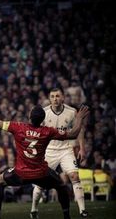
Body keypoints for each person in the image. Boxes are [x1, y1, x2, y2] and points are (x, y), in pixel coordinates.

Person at [0, 104, 89, 219]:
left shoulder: (18, 127)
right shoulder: (48, 131)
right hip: (41, 173)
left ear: (30, 116)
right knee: (61, 186)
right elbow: (73, 134)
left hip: (21, 173)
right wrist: (79, 118)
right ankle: (66, 216)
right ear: (43, 120)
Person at [30, 88, 89, 219]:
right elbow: (36, 132)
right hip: (48, 151)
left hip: (65, 150)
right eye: (52, 96)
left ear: (63, 98)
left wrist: (82, 148)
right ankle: (33, 209)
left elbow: (79, 130)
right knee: (40, 181)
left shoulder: (72, 112)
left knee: (74, 176)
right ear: (49, 98)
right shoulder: (43, 113)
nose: (55, 99)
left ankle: (83, 211)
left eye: (57, 96)